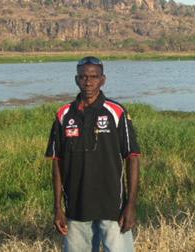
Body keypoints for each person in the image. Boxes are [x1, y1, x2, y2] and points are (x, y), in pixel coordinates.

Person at [45, 56, 141, 251]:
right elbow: (57, 162)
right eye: (83, 77)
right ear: (76, 79)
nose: (88, 82)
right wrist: (57, 208)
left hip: (113, 205)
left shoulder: (116, 112)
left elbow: (133, 157)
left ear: (102, 79)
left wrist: (131, 203)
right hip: (76, 207)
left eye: (93, 77)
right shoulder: (63, 115)